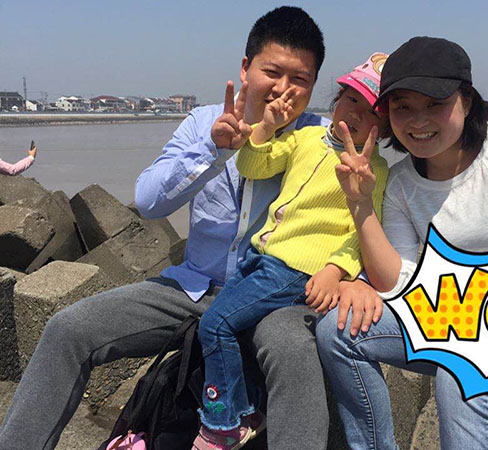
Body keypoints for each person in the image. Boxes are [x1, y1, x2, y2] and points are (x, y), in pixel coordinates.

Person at [0, 7, 376, 450]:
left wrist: (359, 279)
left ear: (314, 86)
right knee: (68, 329)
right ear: (246, 68)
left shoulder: (327, 139)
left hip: (271, 298)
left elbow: (367, 215)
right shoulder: (202, 122)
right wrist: (213, 150)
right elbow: (148, 201)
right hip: (192, 288)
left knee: (295, 353)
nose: (284, 89)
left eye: (301, 80)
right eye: (273, 72)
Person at [316, 36, 488, 450]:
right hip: (468, 320)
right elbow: (400, 285)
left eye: (435, 103)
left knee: (462, 375)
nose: (419, 121)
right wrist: (360, 206)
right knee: (339, 331)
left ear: (466, 100)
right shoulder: (401, 185)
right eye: (403, 107)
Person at [192, 53, 390, 450]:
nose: (355, 113)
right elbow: (253, 166)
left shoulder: (374, 171)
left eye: (371, 112)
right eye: (351, 99)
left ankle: (223, 423)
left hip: (295, 270)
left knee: (214, 325)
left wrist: (335, 271)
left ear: (385, 131)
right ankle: (247, 409)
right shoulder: (305, 138)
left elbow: (363, 233)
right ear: (337, 100)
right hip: (261, 258)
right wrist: (267, 127)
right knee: (232, 327)